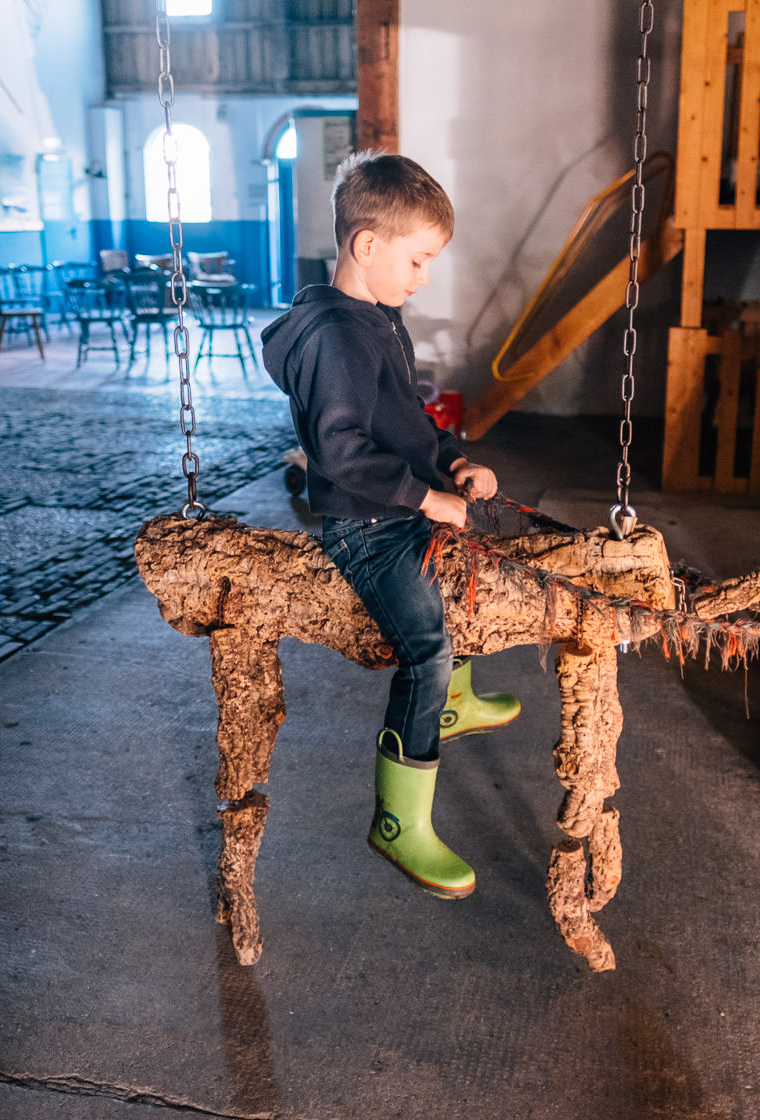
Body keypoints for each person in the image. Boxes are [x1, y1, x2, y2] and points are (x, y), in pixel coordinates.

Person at [262, 151, 518, 900]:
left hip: (399, 504)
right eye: (418, 258)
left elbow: (406, 426)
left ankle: (460, 703)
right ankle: (399, 824)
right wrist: (424, 497)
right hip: (364, 527)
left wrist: (454, 463)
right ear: (367, 246)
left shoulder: (378, 320)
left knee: (474, 568)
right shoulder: (334, 337)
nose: (423, 276)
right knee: (426, 652)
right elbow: (339, 454)